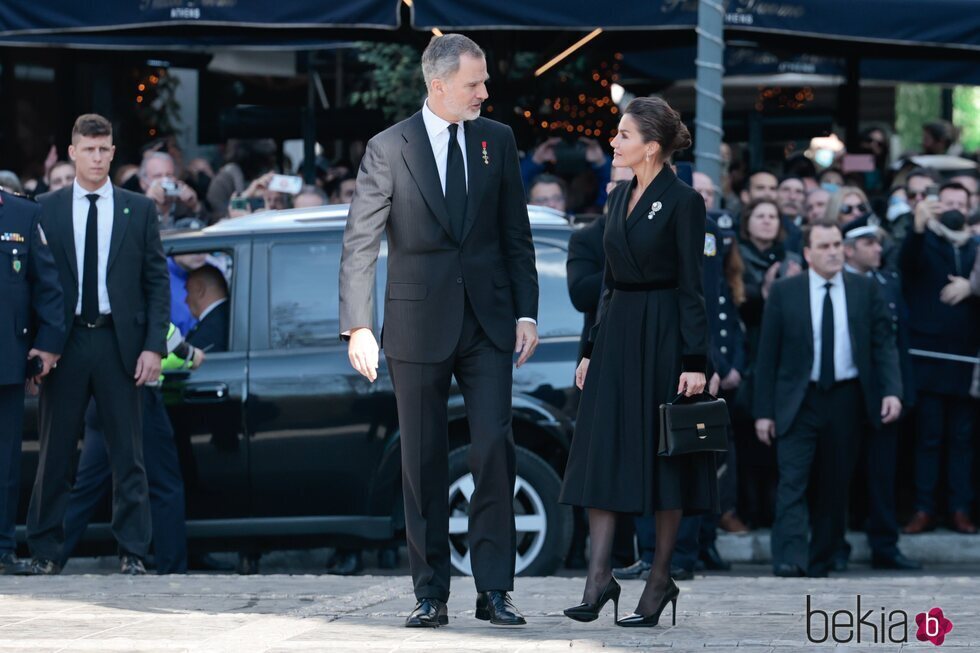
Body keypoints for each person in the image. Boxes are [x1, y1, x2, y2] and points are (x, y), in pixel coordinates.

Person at [339, 34, 538, 628]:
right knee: (422, 460)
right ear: (438, 84)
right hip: (415, 323)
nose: (485, 92)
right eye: (475, 83)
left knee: (494, 452)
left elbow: (515, 236)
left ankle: (495, 590)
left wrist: (526, 312)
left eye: (484, 82)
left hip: (487, 322)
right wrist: (357, 325)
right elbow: (360, 240)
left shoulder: (496, 140)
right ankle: (431, 594)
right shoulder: (388, 147)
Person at [560, 96, 715, 628]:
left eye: (623, 135)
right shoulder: (618, 197)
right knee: (604, 452)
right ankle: (598, 578)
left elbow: (695, 287)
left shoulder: (684, 202)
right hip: (618, 334)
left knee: (664, 459)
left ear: (651, 147)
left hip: (665, 336)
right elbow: (607, 281)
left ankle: (658, 579)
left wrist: (696, 359)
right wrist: (589, 348)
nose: (613, 142)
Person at [26, 113, 170, 575]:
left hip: (117, 342)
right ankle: (45, 551)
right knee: (55, 454)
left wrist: (153, 347)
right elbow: (34, 282)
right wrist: (38, 347)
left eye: (104, 148)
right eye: (88, 149)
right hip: (64, 343)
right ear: (72, 152)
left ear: (113, 151)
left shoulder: (139, 208)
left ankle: (132, 552)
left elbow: (156, 282)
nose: (96, 157)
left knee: (129, 454)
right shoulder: (44, 207)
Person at [754, 220, 902, 578]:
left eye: (837, 244)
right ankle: (789, 558)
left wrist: (893, 390)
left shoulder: (864, 289)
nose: (833, 251)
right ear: (807, 253)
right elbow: (767, 355)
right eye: (824, 246)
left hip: (847, 398)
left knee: (835, 484)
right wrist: (763, 412)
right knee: (792, 480)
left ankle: (823, 558)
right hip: (798, 399)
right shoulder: (786, 291)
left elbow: (884, 344)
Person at [60, 323, 204, 574]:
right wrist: (191, 354)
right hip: (137, 396)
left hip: (99, 396)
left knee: (85, 490)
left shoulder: (100, 297)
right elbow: (163, 334)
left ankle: (49, 557)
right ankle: (173, 571)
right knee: (164, 486)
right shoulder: (134, 291)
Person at [836, 224, 921, 571]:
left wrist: (898, 390)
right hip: (844, 391)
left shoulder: (888, 282)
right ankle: (834, 546)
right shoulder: (834, 281)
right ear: (849, 249)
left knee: (882, 474)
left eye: (878, 242)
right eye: (868, 243)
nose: (877, 249)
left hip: (882, 393)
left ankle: (885, 546)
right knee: (837, 475)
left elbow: (895, 344)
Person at [900, 182, 980, 535]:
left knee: (963, 439)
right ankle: (924, 508)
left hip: (966, 358)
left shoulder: (977, 245)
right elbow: (905, 265)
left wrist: (971, 286)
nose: (954, 208)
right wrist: (917, 226)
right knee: (929, 437)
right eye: (948, 202)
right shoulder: (923, 238)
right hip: (928, 356)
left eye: (961, 203)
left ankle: (960, 508)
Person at [0, 188, 64, 575]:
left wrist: (47, 345)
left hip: (6, 360)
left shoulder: (23, 214)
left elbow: (47, 287)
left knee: (5, 463)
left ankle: (3, 548)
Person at [139, 152, 201, 229]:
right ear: (143, 183)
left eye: (169, 175)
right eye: (158, 176)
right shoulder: (135, 208)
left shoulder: (185, 206)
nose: (165, 180)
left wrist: (195, 206)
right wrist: (146, 205)